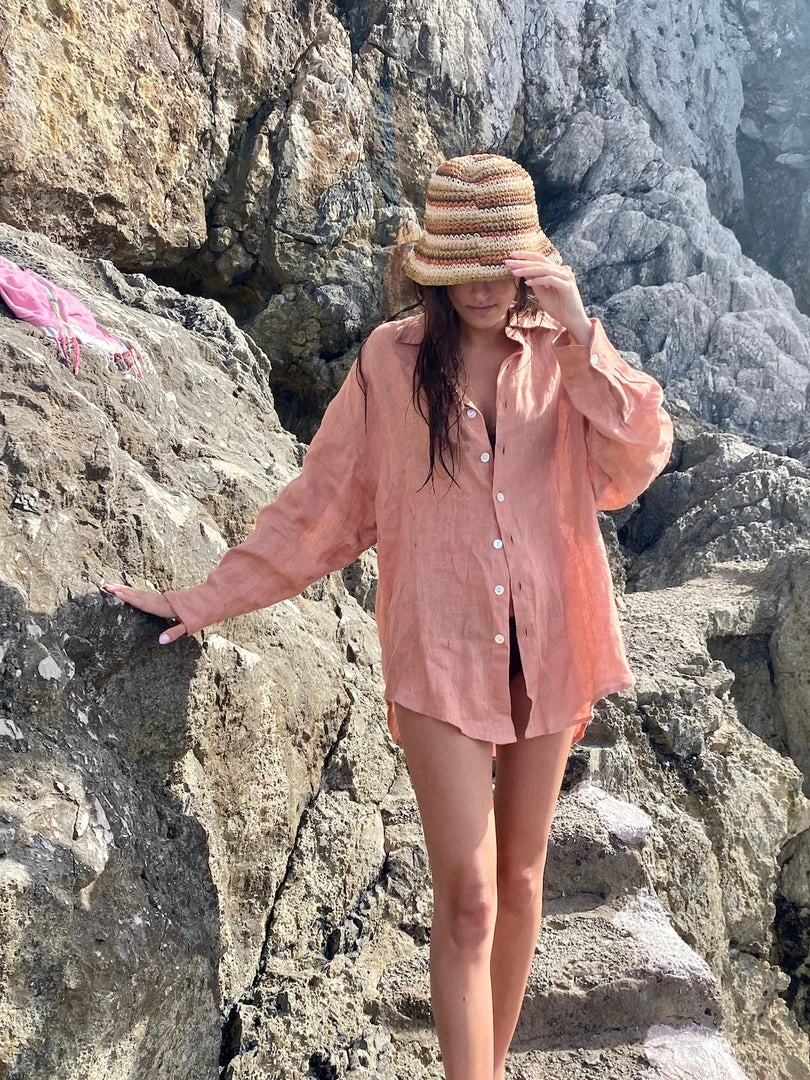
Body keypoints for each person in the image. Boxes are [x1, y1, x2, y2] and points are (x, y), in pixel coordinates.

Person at [104, 154, 673, 1080]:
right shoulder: (389, 361)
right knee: (470, 898)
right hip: (439, 651)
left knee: (522, 879)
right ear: (433, 267)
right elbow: (321, 507)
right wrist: (202, 599)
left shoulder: (561, 357)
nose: (482, 287)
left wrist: (580, 333)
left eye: (500, 266)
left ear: (529, 265)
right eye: (463, 265)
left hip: (553, 642)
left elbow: (638, 457)